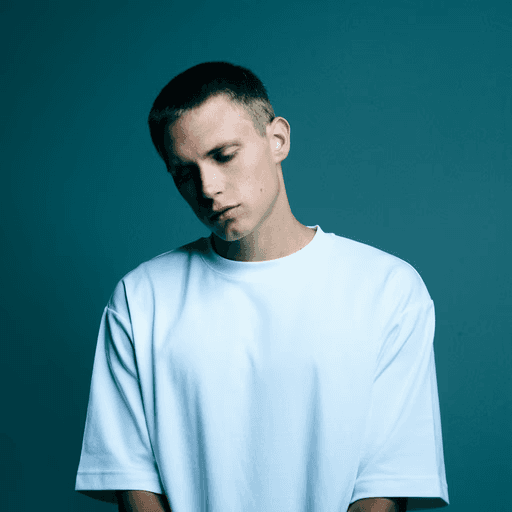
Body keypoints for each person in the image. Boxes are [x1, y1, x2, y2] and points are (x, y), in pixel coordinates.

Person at [75, 62, 449, 512]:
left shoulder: (386, 289)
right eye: (184, 174)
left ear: (278, 140)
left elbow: (387, 482)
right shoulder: (141, 299)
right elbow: (132, 480)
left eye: (224, 155)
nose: (208, 188)